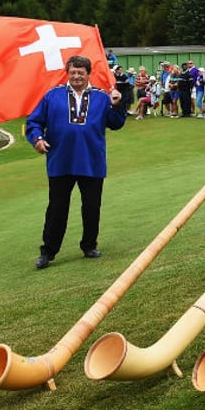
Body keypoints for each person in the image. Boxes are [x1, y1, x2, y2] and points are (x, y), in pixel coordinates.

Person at [24, 55, 127, 269]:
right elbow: (34, 121)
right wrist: (37, 139)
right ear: (67, 73)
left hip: (92, 161)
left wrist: (117, 105)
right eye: (73, 72)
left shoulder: (102, 97)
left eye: (81, 72)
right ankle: (48, 251)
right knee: (57, 208)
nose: (77, 76)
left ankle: (89, 245)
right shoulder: (52, 96)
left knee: (91, 207)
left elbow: (116, 124)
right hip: (60, 161)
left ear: (88, 74)